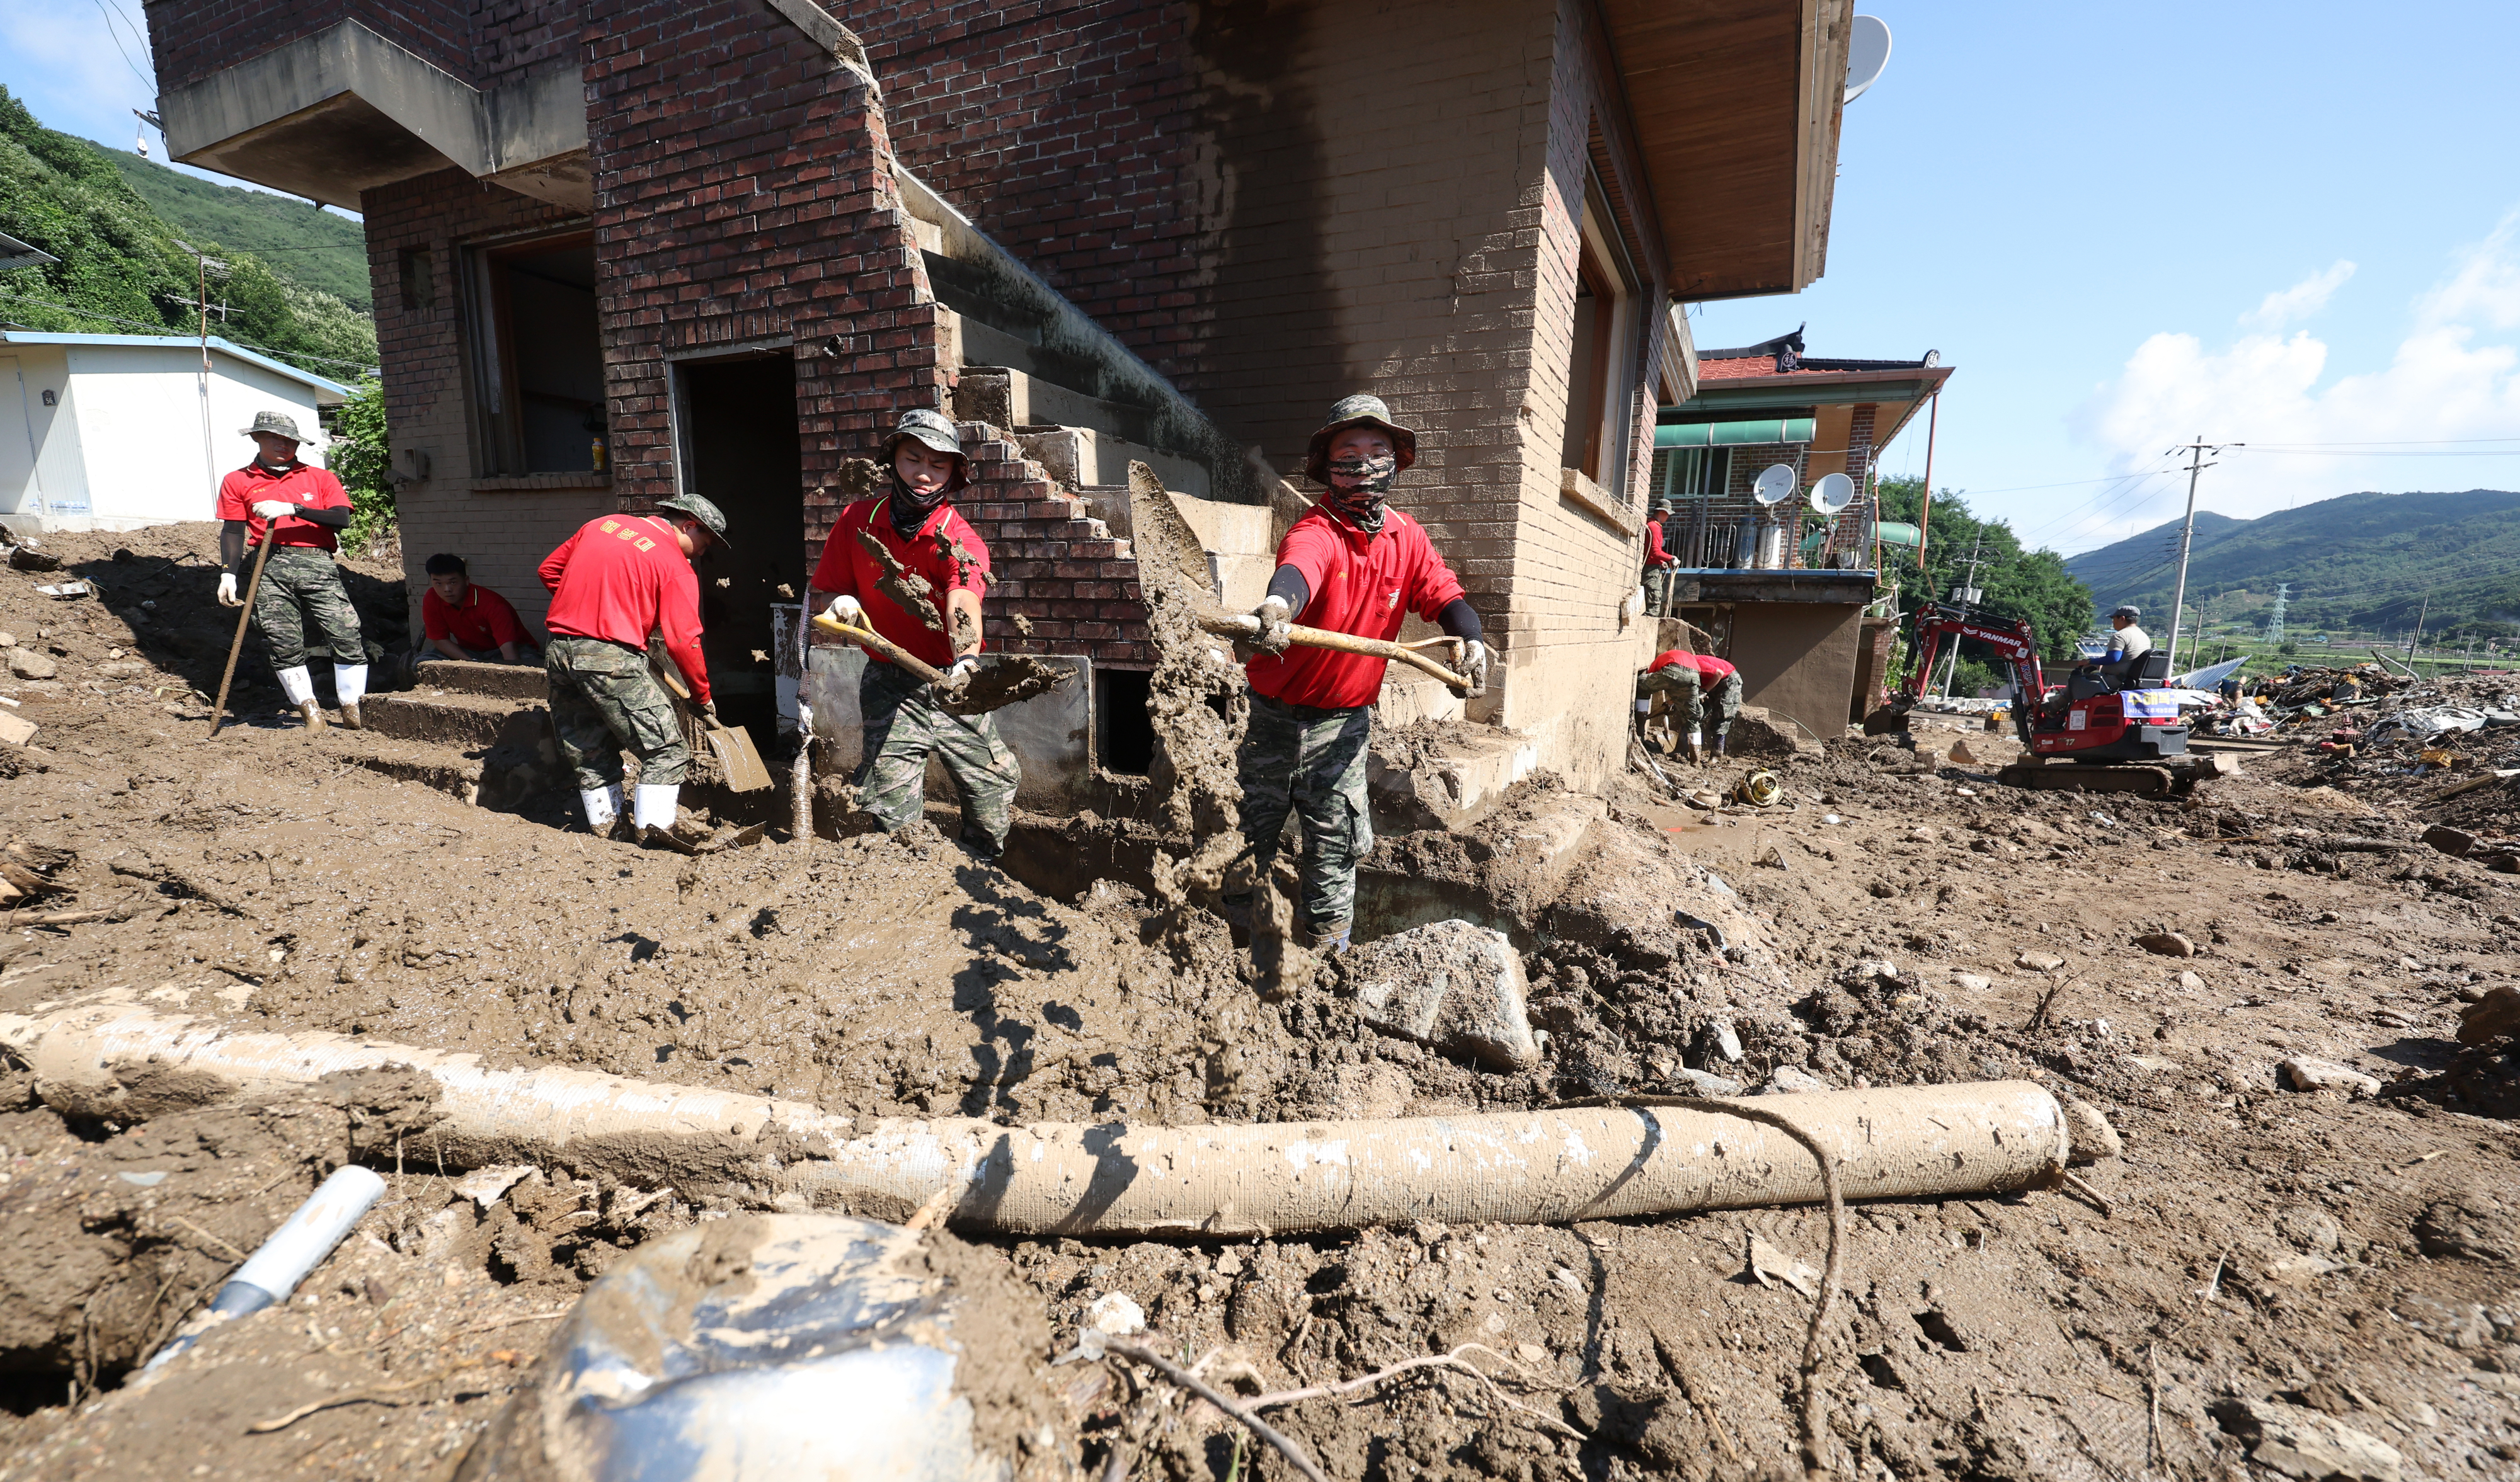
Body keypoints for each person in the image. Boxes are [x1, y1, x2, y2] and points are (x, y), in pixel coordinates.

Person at [1237, 395, 1487, 955]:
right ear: (1328, 465)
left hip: (1344, 727)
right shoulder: (1316, 528)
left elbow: (1444, 594)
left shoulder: (1407, 538)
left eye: (1377, 450)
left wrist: (1470, 636)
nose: (1364, 462)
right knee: (1245, 836)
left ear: (1395, 461)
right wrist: (1279, 606)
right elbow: (1300, 569)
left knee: (1334, 847)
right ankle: (1230, 947)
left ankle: (1329, 962)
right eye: (1349, 451)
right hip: (1271, 721)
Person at [808, 408, 1017, 860]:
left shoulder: (957, 539)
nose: (924, 474)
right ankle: (904, 878)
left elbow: (963, 599)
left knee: (993, 783)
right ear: (893, 461)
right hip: (890, 682)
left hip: (952, 680)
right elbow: (827, 592)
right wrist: (840, 606)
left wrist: (966, 660)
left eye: (938, 465)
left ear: (953, 474)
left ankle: (975, 868)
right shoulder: (858, 522)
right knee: (889, 796)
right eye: (913, 459)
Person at [537, 493, 729, 842]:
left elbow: (549, 571)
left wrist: (591, 606)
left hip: (559, 651)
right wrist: (701, 695)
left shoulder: (600, 525)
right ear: (689, 525)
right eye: (706, 542)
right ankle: (653, 838)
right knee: (667, 750)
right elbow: (684, 641)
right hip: (609, 658)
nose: (703, 552)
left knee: (589, 748)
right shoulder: (674, 565)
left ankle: (609, 831)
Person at [214, 411, 366, 730]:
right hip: (267, 566)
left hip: (317, 563)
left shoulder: (319, 478)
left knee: (345, 631)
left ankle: (353, 710)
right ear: (257, 438)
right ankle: (310, 713)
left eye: (290, 441)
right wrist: (228, 572)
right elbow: (233, 529)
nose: (284, 445)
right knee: (282, 640)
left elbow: (342, 518)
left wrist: (294, 510)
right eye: (275, 439)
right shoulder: (238, 480)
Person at [419, 554, 540, 665]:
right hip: (470, 653)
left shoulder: (492, 604)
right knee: (423, 662)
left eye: (453, 583)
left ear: (466, 581)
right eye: (438, 584)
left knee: (530, 666)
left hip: (506, 651)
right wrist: (471, 664)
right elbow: (440, 640)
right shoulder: (432, 598)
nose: (447, 589)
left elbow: (509, 652)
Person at [1636, 648, 1741, 762]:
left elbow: (1719, 674)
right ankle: (1681, 750)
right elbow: (1681, 688)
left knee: (1722, 716)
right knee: (1691, 714)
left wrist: (1704, 692)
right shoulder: (1686, 667)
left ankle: (1716, 755)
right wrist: (1670, 703)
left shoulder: (1697, 663)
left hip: (1728, 681)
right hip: (1706, 683)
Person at [1642, 503, 1680, 615]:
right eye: (1667, 514)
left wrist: (1661, 562)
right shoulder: (1654, 527)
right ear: (1663, 512)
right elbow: (1655, 551)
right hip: (1651, 570)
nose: (1668, 517)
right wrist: (1671, 558)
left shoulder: (1651, 524)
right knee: (1653, 606)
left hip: (1651, 566)